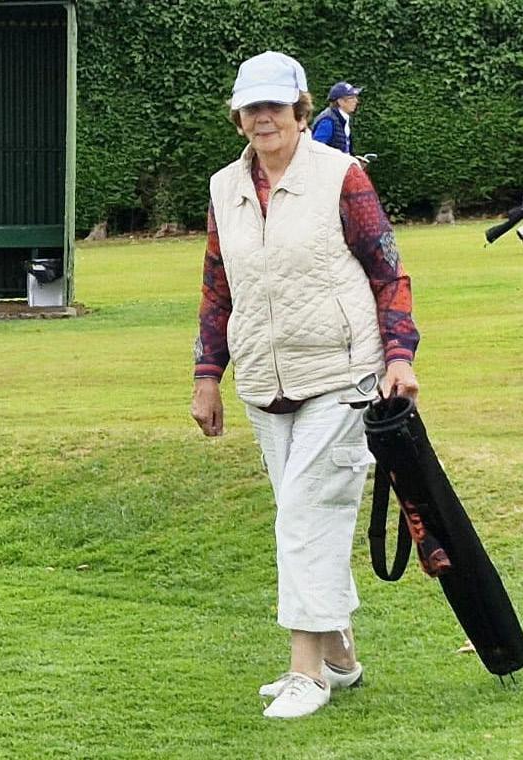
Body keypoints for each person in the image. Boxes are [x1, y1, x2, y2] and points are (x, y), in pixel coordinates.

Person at [190, 52, 420, 719]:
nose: (263, 118)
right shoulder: (223, 187)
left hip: (343, 374)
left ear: (299, 108)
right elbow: (217, 289)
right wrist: (207, 375)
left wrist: (399, 355)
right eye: (251, 108)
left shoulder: (341, 175)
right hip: (264, 381)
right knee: (303, 513)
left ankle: (306, 674)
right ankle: (340, 655)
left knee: (303, 516)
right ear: (237, 117)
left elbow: (388, 272)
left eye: (275, 105)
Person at [311, 81, 362, 155]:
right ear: (340, 101)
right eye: (351, 98)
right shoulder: (327, 121)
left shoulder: (343, 118)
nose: (356, 101)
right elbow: (317, 151)